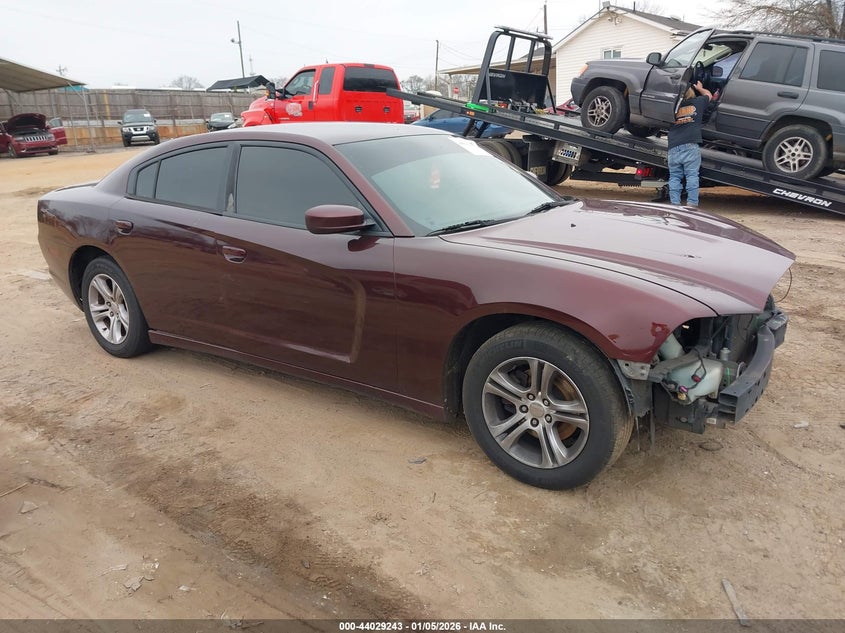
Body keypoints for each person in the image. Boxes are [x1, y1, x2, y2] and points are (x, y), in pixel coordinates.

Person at [667, 80, 714, 207]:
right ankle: (692, 204)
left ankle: (675, 204)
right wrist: (700, 88)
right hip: (690, 145)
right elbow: (710, 95)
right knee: (692, 175)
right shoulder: (698, 102)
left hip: (673, 147)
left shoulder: (672, 107)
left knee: (675, 177)